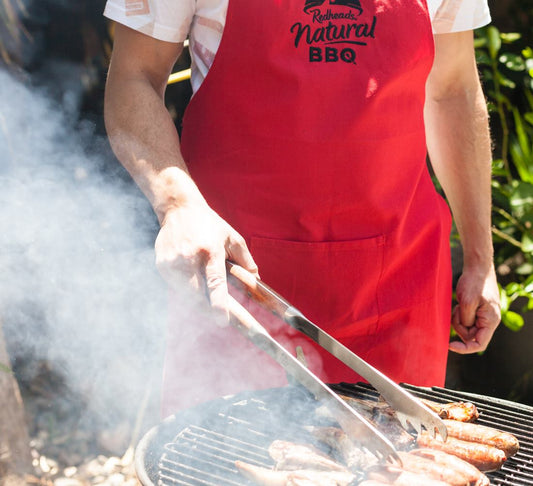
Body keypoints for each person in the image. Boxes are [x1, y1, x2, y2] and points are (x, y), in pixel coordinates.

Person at [103, 0, 501, 415]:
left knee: (403, 469)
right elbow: (135, 77)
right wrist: (178, 205)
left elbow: (454, 89)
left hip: (399, 282)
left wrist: (480, 257)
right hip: (237, 281)